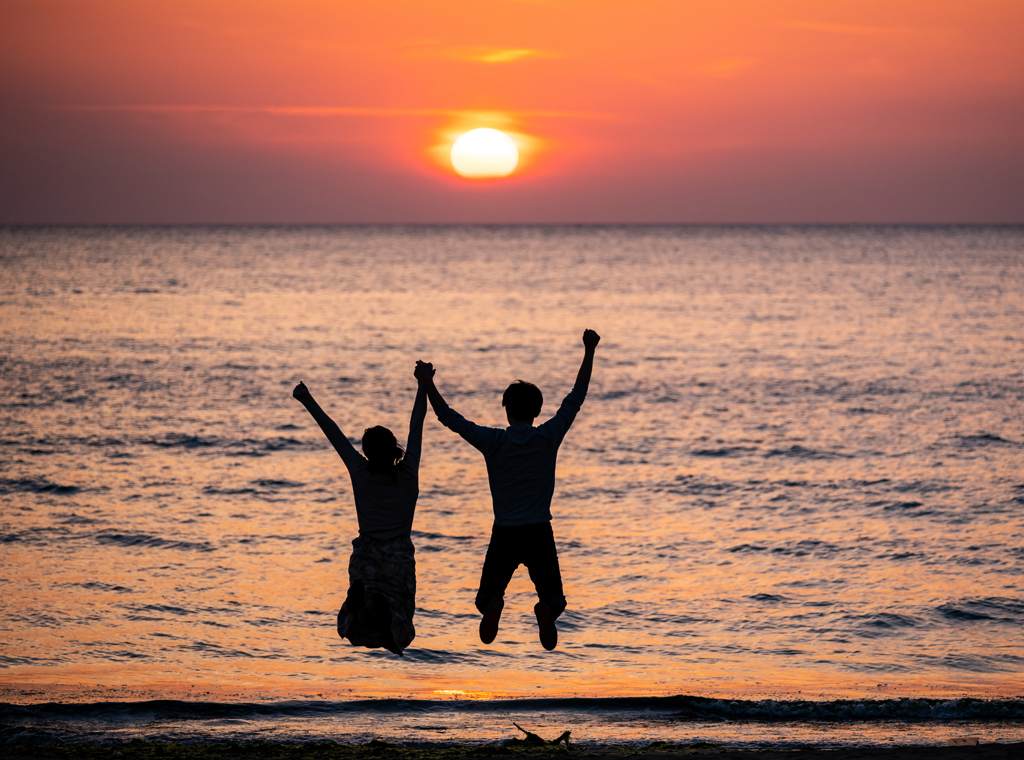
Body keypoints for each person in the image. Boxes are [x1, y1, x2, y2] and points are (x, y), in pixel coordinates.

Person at [418, 329, 600, 651]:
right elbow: (577, 396)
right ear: (537, 412)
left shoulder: (494, 442)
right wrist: (589, 349)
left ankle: (494, 605)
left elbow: (449, 418)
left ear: (506, 409)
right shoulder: (548, 437)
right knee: (555, 600)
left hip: (504, 533)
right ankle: (544, 611)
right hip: (539, 532)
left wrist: (428, 382)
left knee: (485, 597)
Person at [292, 362, 432, 656]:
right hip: (398, 556)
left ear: (367, 451)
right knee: (402, 618)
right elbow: (417, 424)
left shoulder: (359, 470)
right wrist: (423, 383)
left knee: (355, 634)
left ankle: (363, 610)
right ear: (394, 448)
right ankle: (386, 625)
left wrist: (307, 399)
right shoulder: (407, 473)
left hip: (366, 553)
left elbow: (333, 432)